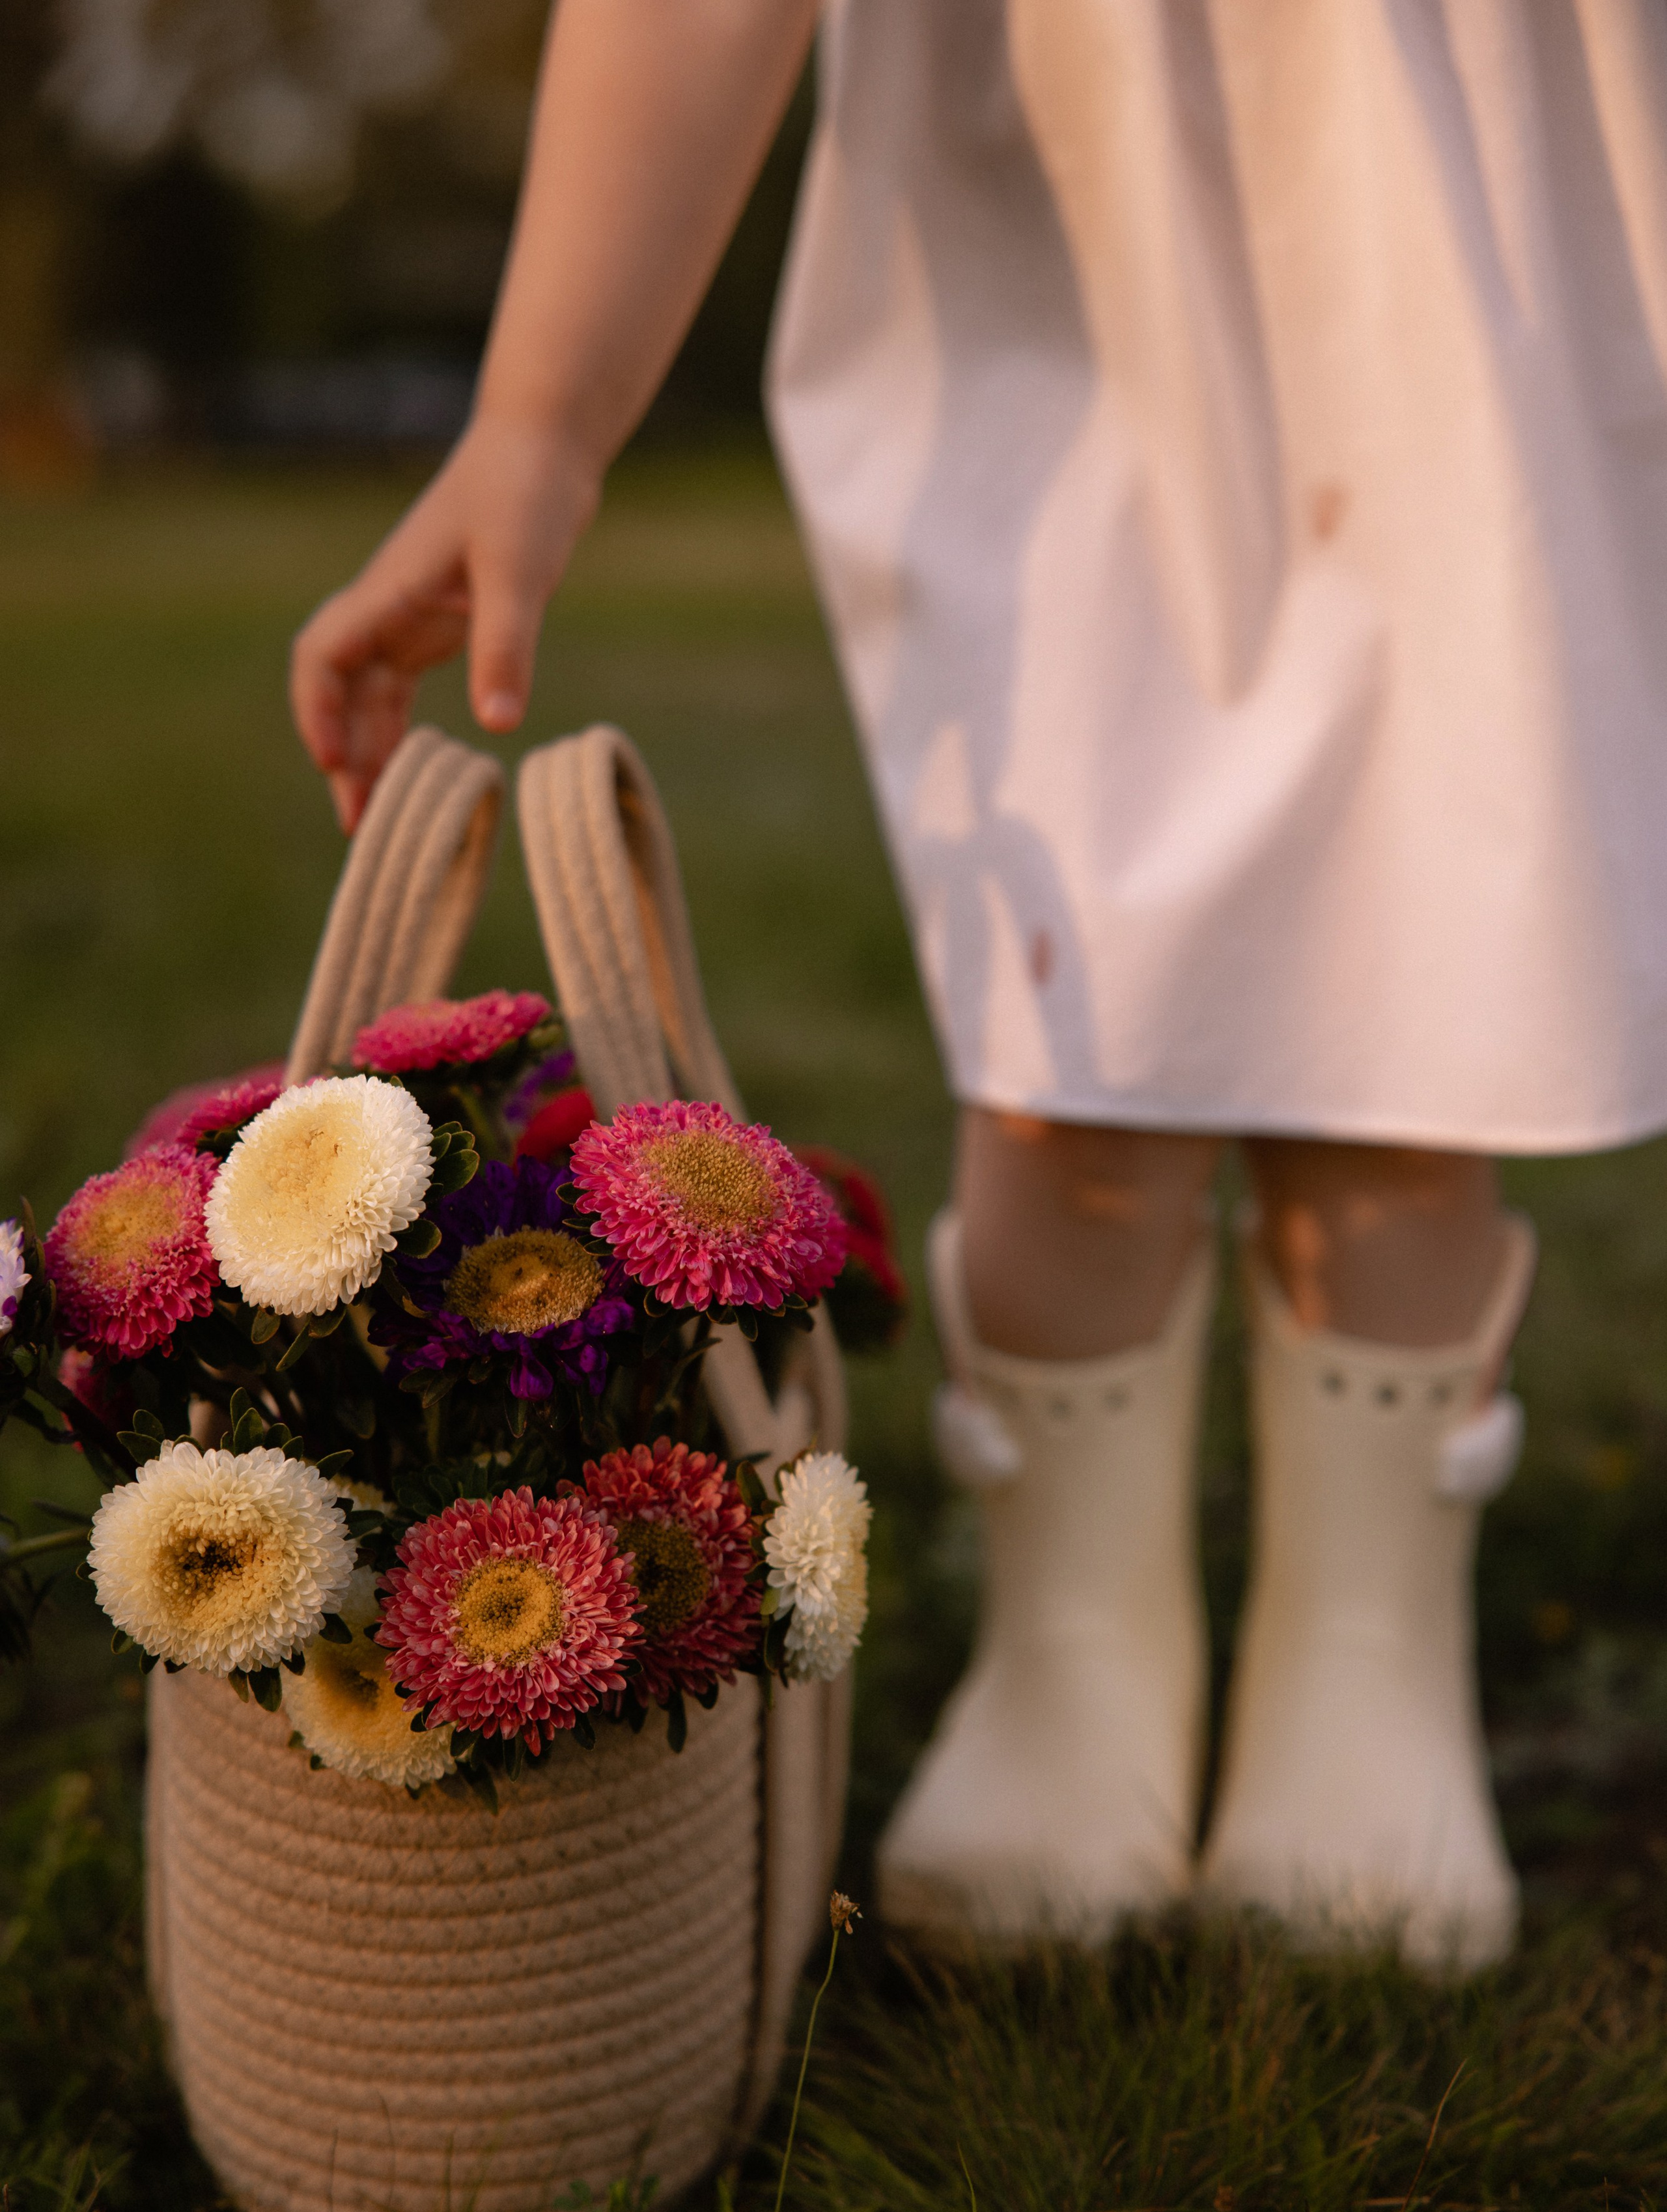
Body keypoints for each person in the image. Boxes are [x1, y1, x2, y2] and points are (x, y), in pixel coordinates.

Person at [291, 1, 1667, 1974]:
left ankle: (1368, 1656)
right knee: (1072, 1007)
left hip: (1476, 236)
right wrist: (539, 418)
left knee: (1413, 992)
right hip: (1061, 237)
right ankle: (1079, 1648)